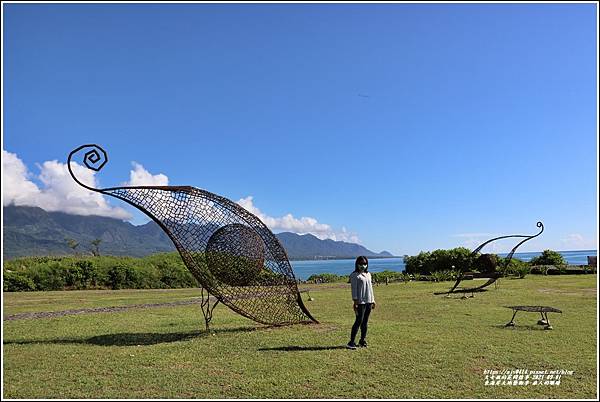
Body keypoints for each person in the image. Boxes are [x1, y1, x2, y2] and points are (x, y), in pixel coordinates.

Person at [347, 255, 376, 349]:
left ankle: (362, 340)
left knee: (365, 322)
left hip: (369, 301)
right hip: (360, 302)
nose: (363, 266)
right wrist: (355, 302)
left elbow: (370, 288)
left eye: (365, 264)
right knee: (358, 321)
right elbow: (354, 289)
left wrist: (373, 300)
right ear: (357, 264)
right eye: (361, 264)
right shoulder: (355, 275)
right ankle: (351, 342)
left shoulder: (368, 274)